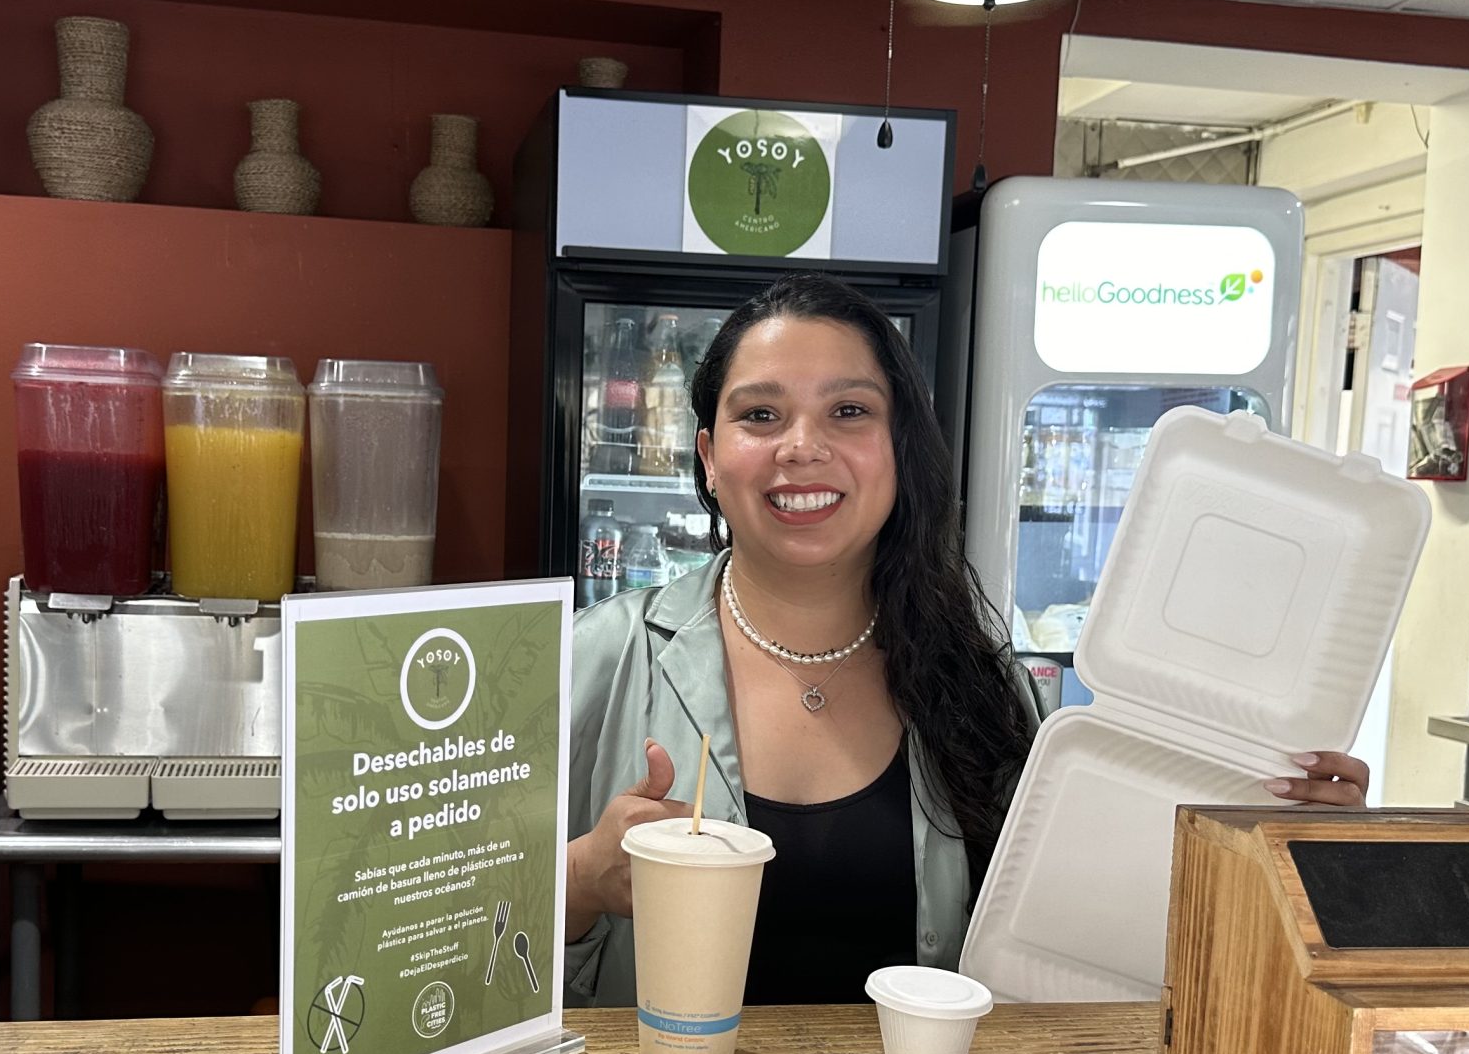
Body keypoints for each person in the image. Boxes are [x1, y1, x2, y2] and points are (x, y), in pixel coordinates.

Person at [562, 272, 1367, 1006]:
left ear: (900, 450)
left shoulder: (978, 683)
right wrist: (582, 879)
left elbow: (1090, 937)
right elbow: (457, 935)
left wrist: (1279, 851)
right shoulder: (598, 658)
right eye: (760, 415)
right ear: (708, 456)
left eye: (849, 411)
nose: (802, 446)